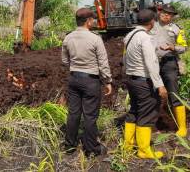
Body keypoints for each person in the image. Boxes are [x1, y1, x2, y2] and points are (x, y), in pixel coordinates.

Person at [62, 8, 113, 157]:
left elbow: (65, 60)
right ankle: (91, 148)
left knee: (73, 113)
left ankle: (70, 145)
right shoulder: (95, 38)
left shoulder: (68, 38)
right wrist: (107, 81)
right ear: (89, 21)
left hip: (73, 78)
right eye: (93, 19)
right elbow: (103, 63)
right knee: (90, 115)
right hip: (90, 80)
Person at [123, 9, 168, 159]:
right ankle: (143, 150)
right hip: (143, 81)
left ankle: (128, 146)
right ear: (152, 22)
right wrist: (160, 85)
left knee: (134, 111)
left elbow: (125, 59)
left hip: (131, 79)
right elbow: (151, 62)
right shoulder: (145, 38)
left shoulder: (129, 36)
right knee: (147, 113)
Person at [150, 3, 188, 137]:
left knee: (173, 93)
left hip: (169, 63)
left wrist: (173, 47)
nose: (165, 15)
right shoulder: (151, 25)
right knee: (151, 93)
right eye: (164, 12)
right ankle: (151, 125)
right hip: (152, 63)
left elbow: (184, 47)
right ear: (159, 12)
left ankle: (182, 127)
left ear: (172, 16)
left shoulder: (177, 29)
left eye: (169, 14)